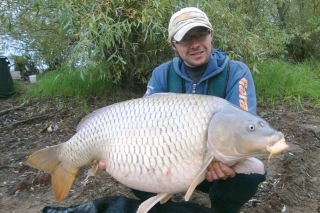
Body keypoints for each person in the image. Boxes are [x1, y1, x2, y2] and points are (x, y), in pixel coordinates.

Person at [97, 7, 266, 213]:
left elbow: (244, 131)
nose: (195, 44)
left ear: (211, 34)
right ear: (173, 45)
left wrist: (228, 165)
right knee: (134, 164)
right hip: (175, 161)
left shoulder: (235, 72)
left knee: (253, 172)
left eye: (201, 35)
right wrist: (111, 152)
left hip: (217, 162)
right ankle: (166, 206)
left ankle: (223, 208)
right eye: (186, 39)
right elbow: (141, 129)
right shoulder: (162, 75)